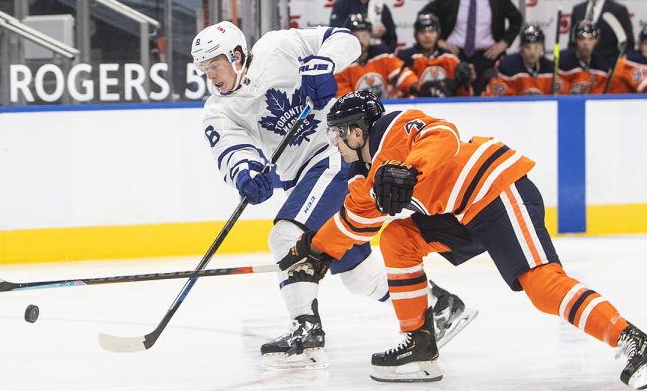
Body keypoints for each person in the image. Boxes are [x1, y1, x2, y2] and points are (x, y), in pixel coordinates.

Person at [277, 89, 647, 388]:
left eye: (337, 134)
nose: (334, 143)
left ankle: (636, 341)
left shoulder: (395, 128)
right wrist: (313, 250)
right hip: (464, 213)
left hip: (495, 188)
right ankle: (420, 345)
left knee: (541, 285)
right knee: (398, 238)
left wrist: (409, 169)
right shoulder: (367, 181)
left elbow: (443, 137)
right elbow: (352, 223)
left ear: (357, 131)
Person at [190, 21, 474, 369]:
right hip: (302, 178)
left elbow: (345, 40)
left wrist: (322, 63)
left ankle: (305, 327)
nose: (212, 75)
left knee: (286, 234)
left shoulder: (277, 46)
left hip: (335, 157)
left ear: (236, 56)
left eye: (215, 64)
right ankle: (440, 304)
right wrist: (245, 174)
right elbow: (232, 150)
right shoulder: (218, 110)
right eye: (205, 69)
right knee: (357, 275)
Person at [420, 0, 523, 95]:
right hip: (455, 55)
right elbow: (424, 14)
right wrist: (438, 41)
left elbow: (517, 19)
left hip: (488, 56)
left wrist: (504, 43)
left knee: (488, 96)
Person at [335, 14, 420, 99]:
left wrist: (414, 86)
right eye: (356, 36)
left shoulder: (382, 55)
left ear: (370, 36)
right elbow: (343, 95)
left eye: (364, 35)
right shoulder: (342, 64)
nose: (361, 41)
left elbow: (401, 72)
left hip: (388, 106)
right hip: (359, 111)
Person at [396, 13, 476, 97]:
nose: (427, 35)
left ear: (438, 34)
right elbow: (398, 89)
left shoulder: (450, 59)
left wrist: (466, 83)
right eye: (422, 32)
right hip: (415, 106)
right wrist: (420, 88)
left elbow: (462, 96)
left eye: (431, 31)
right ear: (416, 35)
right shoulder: (405, 57)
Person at [483, 24, 554, 96]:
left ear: (542, 48)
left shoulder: (549, 68)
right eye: (528, 47)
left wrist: (558, 88)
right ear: (521, 48)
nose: (532, 52)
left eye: (536, 47)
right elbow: (493, 96)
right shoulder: (507, 67)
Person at [569, 0, 634, 64]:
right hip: (581, 68)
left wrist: (616, 67)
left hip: (608, 67)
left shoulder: (618, 10)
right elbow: (572, 42)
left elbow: (628, 44)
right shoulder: (578, 10)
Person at [329, 0, 398, 52]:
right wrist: (370, 30)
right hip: (350, 54)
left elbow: (391, 39)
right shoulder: (342, 5)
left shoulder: (380, 6)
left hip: (374, 55)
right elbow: (335, 34)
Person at [559, 20, 610, 94]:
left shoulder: (602, 66)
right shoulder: (562, 63)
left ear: (596, 41)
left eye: (591, 39)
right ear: (575, 40)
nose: (586, 43)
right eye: (581, 38)